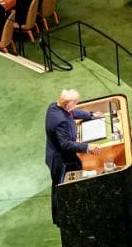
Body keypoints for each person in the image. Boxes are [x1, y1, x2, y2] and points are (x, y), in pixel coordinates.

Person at [45, 89, 102, 222]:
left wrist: (91, 115)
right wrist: (87, 147)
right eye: (75, 103)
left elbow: (72, 113)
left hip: (60, 156)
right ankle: (62, 219)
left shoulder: (55, 106)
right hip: (60, 161)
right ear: (68, 105)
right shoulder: (60, 121)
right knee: (60, 188)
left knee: (62, 187)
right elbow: (65, 144)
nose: (76, 105)